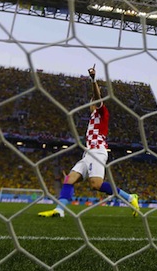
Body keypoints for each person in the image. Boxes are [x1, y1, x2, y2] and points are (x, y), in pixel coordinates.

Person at [39, 65, 139, 217]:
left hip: (98, 151)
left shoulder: (102, 113)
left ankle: (130, 198)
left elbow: (97, 96)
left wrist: (93, 80)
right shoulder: (92, 118)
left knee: (96, 185)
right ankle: (59, 211)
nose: (91, 103)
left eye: (92, 102)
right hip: (88, 154)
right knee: (69, 179)